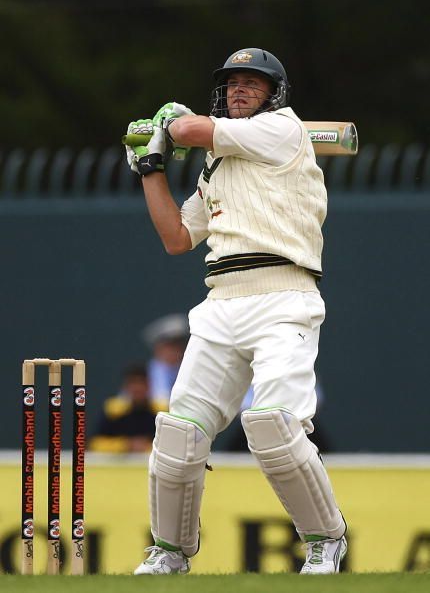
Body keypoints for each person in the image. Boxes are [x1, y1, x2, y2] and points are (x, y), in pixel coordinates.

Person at [125, 47, 347, 575]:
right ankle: (170, 552)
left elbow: (187, 131)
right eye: (232, 84)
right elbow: (178, 238)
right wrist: (150, 168)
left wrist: (167, 123)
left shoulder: (283, 130)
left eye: (253, 83)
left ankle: (325, 539)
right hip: (220, 301)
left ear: (275, 94)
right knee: (180, 432)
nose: (240, 90)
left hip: (283, 295)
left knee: (271, 424)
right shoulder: (216, 167)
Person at [88, 363, 156, 453]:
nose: (138, 388)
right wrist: (126, 445)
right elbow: (94, 443)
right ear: (126, 387)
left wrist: (147, 446)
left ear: (149, 386)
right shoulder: (113, 412)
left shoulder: (159, 413)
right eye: (133, 383)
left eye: (142, 383)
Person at [140, 314, 189, 413]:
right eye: (170, 346)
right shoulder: (143, 374)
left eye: (179, 345)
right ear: (158, 348)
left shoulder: (188, 371)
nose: (176, 350)